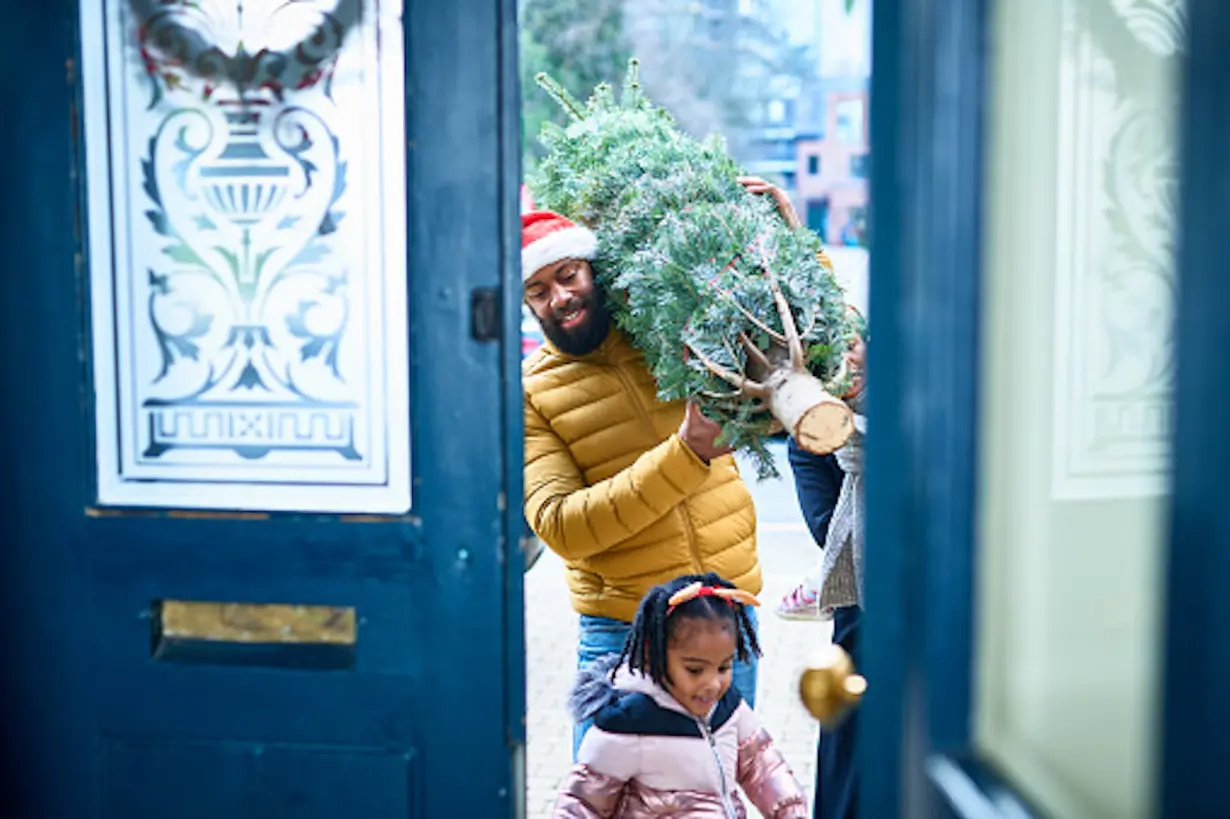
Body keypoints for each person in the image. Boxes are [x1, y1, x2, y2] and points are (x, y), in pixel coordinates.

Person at [520, 201, 764, 757]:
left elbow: (785, 332)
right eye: (538, 290)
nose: (559, 297)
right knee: (606, 799)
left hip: (724, 618)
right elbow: (561, 526)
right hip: (622, 633)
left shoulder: (671, 336)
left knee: (719, 793)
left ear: (592, 271)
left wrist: (781, 230)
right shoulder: (531, 393)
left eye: (567, 275)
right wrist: (686, 454)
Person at [553, 573, 809, 818]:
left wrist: (791, 810)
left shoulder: (729, 708)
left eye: (723, 667)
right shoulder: (629, 725)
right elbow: (581, 804)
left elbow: (762, 766)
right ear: (653, 657)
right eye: (694, 669)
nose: (712, 684)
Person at [783, 314, 867, 819]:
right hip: (858, 598)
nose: (845, 361)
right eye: (829, 358)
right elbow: (819, 507)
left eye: (851, 345)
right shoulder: (817, 420)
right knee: (851, 754)